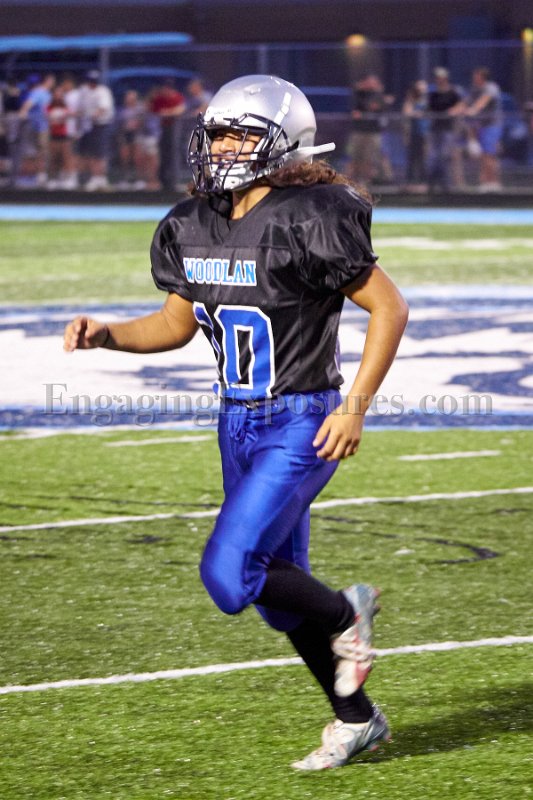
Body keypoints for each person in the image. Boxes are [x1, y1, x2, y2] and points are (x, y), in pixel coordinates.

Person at [63, 74, 408, 770]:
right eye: (217, 133)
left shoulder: (309, 215)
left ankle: (348, 613)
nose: (222, 146)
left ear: (285, 143)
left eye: (240, 134)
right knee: (278, 598)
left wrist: (355, 406)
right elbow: (174, 324)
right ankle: (357, 719)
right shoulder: (191, 223)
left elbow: (389, 308)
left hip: (302, 419)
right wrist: (108, 335)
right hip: (236, 423)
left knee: (228, 576)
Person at [452, 66, 503, 192]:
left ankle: (493, 182)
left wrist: (473, 110)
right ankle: (487, 182)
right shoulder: (475, 89)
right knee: (484, 155)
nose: (474, 78)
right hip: (482, 126)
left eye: (476, 76)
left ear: (482, 77)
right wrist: (453, 111)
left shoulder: (491, 87)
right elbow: (465, 102)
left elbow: (482, 102)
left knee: (489, 154)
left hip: (492, 125)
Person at [346, 74, 394, 186]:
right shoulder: (359, 94)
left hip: (373, 132)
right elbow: (356, 108)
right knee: (356, 157)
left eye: (372, 82)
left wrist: (378, 99)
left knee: (371, 158)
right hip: (359, 131)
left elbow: (377, 106)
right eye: (368, 81)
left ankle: (369, 180)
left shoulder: (378, 95)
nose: (370, 84)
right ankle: (353, 180)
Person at [427, 67, 464, 192]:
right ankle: (432, 182)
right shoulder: (433, 94)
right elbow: (429, 108)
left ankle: (445, 183)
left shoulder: (453, 93)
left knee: (444, 155)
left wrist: (453, 111)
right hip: (435, 128)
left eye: (440, 78)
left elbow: (461, 105)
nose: (438, 80)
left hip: (447, 129)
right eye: (437, 78)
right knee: (433, 156)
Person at [77, 70, 115, 191]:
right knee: (92, 153)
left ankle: (101, 178)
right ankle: (94, 178)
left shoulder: (103, 91)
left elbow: (103, 108)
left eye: (94, 81)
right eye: (90, 81)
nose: (92, 84)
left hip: (102, 125)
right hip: (89, 126)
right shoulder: (85, 91)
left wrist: (91, 115)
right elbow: (81, 109)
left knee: (101, 153)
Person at [149, 78, 186, 190]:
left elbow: (181, 109)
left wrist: (168, 113)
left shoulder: (177, 97)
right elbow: (153, 110)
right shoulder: (159, 98)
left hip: (174, 127)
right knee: (163, 154)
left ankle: (174, 180)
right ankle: (163, 180)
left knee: (173, 153)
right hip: (161, 129)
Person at [402, 79, 429, 192]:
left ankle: (423, 183)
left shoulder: (427, 101)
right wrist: (415, 113)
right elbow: (407, 112)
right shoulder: (411, 101)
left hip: (425, 134)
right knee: (412, 159)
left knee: (423, 159)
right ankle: (409, 182)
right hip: (413, 134)